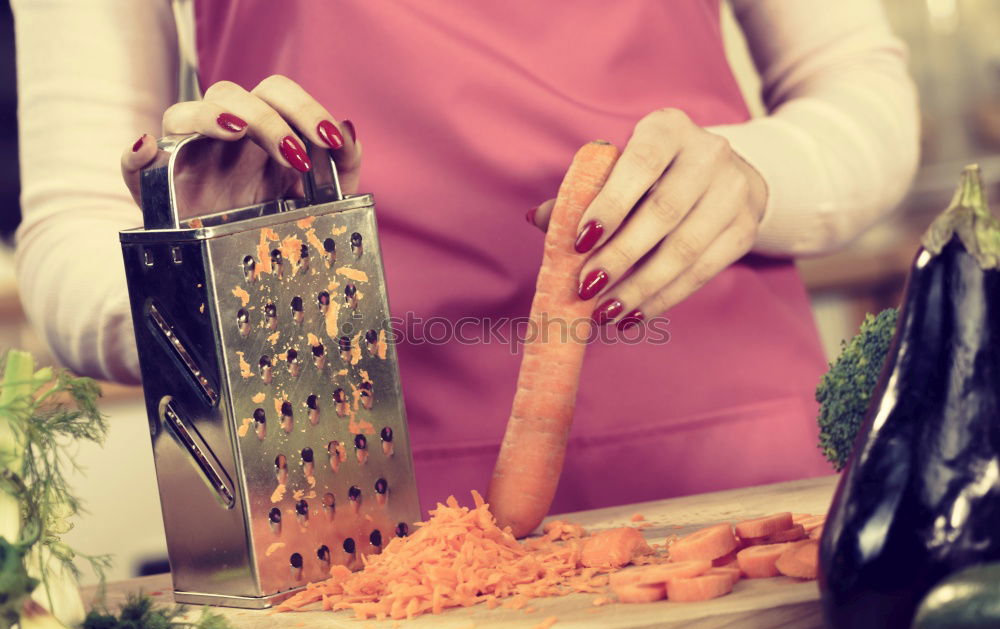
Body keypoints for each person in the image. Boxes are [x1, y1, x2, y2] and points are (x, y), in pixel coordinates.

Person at [12, 1, 919, 513]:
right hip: (358, 496)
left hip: (741, 468)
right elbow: (65, 234)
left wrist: (753, 176)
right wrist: (210, 291)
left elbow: (866, 98)